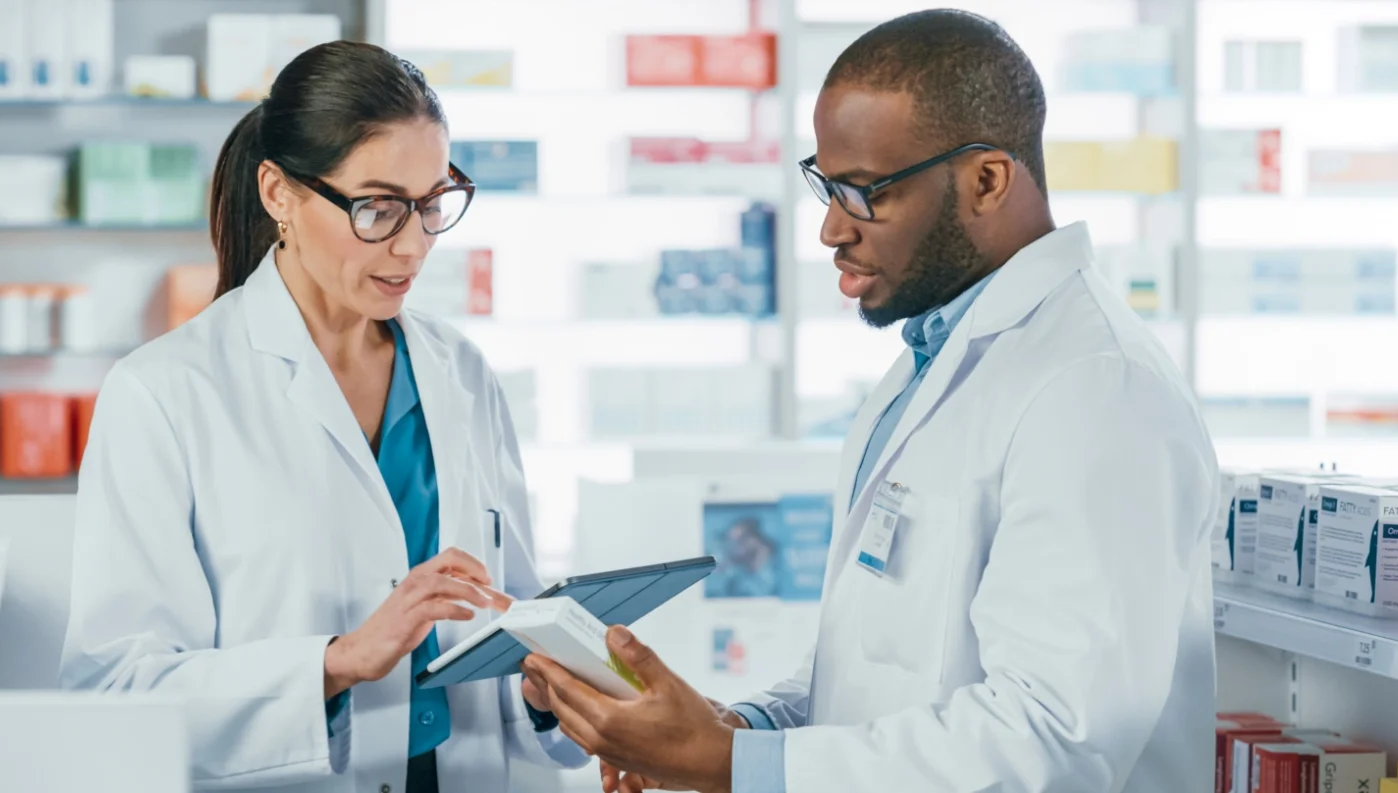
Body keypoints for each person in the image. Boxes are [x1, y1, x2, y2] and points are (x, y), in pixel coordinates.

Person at [523, 10, 1219, 793]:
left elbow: (1054, 740)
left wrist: (731, 764)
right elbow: (868, 670)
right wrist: (735, 731)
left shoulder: (1097, 388)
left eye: (863, 192)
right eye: (824, 184)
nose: (829, 229)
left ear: (986, 180)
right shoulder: (929, 364)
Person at [59, 41, 588, 793]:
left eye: (432, 204)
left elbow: (504, 621)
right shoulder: (165, 392)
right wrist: (337, 661)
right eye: (376, 208)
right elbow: (115, 691)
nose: (413, 245)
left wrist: (546, 686)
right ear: (278, 193)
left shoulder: (460, 371)